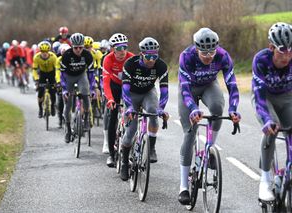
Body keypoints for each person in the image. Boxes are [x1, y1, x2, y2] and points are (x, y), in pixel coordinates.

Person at [177, 28, 241, 204]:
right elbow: (184, 87)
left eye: (211, 51)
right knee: (190, 132)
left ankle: (210, 147)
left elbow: (232, 84)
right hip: (188, 89)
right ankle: (183, 186)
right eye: (204, 52)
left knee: (217, 108)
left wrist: (233, 108)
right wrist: (192, 108)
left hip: (208, 85)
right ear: (196, 48)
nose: (208, 56)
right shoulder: (187, 56)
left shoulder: (222, 56)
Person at [251, 22, 292, 202]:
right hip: (265, 98)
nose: (288, 55)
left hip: (287, 97)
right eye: (283, 50)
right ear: (271, 47)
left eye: (291, 50)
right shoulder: (261, 60)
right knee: (272, 130)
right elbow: (258, 95)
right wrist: (267, 120)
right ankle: (265, 181)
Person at [120, 37, 169, 181]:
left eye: (154, 56)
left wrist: (161, 108)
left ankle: (152, 148)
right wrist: (129, 107)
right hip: (132, 95)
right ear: (141, 54)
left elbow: (164, 90)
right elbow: (125, 89)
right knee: (130, 131)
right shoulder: (130, 64)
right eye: (148, 56)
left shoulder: (161, 65)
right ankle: (124, 162)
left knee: (153, 112)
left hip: (148, 92)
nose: (151, 60)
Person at [102, 33, 134, 166]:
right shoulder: (108, 59)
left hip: (128, 86)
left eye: (124, 47)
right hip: (114, 86)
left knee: (132, 116)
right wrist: (110, 99)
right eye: (119, 48)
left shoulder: (131, 58)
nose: (122, 51)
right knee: (112, 117)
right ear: (112, 49)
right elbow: (106, 82)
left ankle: (130, 150)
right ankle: (111, 154)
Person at [60, 33, 93, 143]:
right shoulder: (66, 56)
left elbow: (91, 74)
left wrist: (92, 87)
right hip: (68, 77)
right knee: (68, 104)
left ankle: (87, 117)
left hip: (81, 76)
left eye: (81, 47)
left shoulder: (87, 55)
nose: (78, 50)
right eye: (76, 48)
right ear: (72, 46)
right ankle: (68, 130)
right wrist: (64, 89)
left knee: (85, 93)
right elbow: (62, 75)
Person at [32, 41, 58, 118]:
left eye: (46, 51)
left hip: (51, 73)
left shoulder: (53, 57)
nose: (44, 53)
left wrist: (57, 80)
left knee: (53, 92)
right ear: (40, 51)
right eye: (42, 51)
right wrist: (36, 80)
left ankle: (53, 106)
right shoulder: (36, 57)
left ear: (49, 51)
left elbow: (57, 69)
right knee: (40, 92)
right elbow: (34, 70)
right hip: (42, 73)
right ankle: (40, 109)